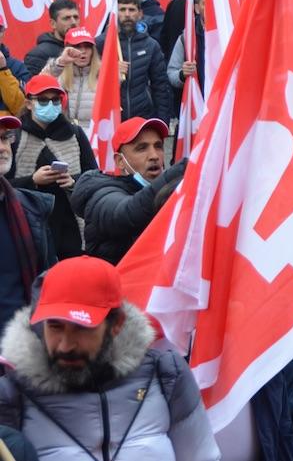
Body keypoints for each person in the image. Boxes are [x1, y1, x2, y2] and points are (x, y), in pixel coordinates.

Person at [0, 256, 221, 459]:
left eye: (81, 328)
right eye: (55, 327)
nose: (65, 346)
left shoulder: (166, 374)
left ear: (117, 324)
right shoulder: (12, 393)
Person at [69, 118, 185, 265]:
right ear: (120, 161)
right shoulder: (100, 193)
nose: (154, 156)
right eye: (142, 148)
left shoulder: (171, 188)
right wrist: (186, 166)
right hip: (116, 285)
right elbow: (127, 213)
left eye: (158, 146)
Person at [7, 75, 97, 260]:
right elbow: (5, 184)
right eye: (42, 100)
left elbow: (94, 176)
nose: (50, 104)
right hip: (30, 222)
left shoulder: (75, 133)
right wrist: (33, 180)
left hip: (71, 224)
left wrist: (73, 182)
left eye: (55, 100)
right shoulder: (14, 136)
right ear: (29, 103)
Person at [0, 115, 54, 330]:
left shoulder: (30, 210)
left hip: (20, 349)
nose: (2, 148)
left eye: (5, 138)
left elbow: (47, 283)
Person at [108, 0, 172, 121]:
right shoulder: (102, 43)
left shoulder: (151, 45)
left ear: (140, 14)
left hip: (142, 117)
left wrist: (163, 120)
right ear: (114, 13)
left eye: (131, 10)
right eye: (122, 10)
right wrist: (110, 71)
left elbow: (160, 85)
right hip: (110, 118)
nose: (127, 14)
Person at [40, 27, 101, 127]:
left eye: (87, 46)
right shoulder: (58, 71)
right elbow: (38, 85)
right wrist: (61, 62)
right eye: (77, 47)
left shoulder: (103, 74)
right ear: (67, 50)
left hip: (93, 137)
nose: (83, 51)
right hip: (65, 135)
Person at [22, 0, 79, 77]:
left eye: (76, 17)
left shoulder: (87, 48)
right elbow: (33, 86)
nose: (73, 22)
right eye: (66, 18)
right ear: (53, 24)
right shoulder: (38, 55)